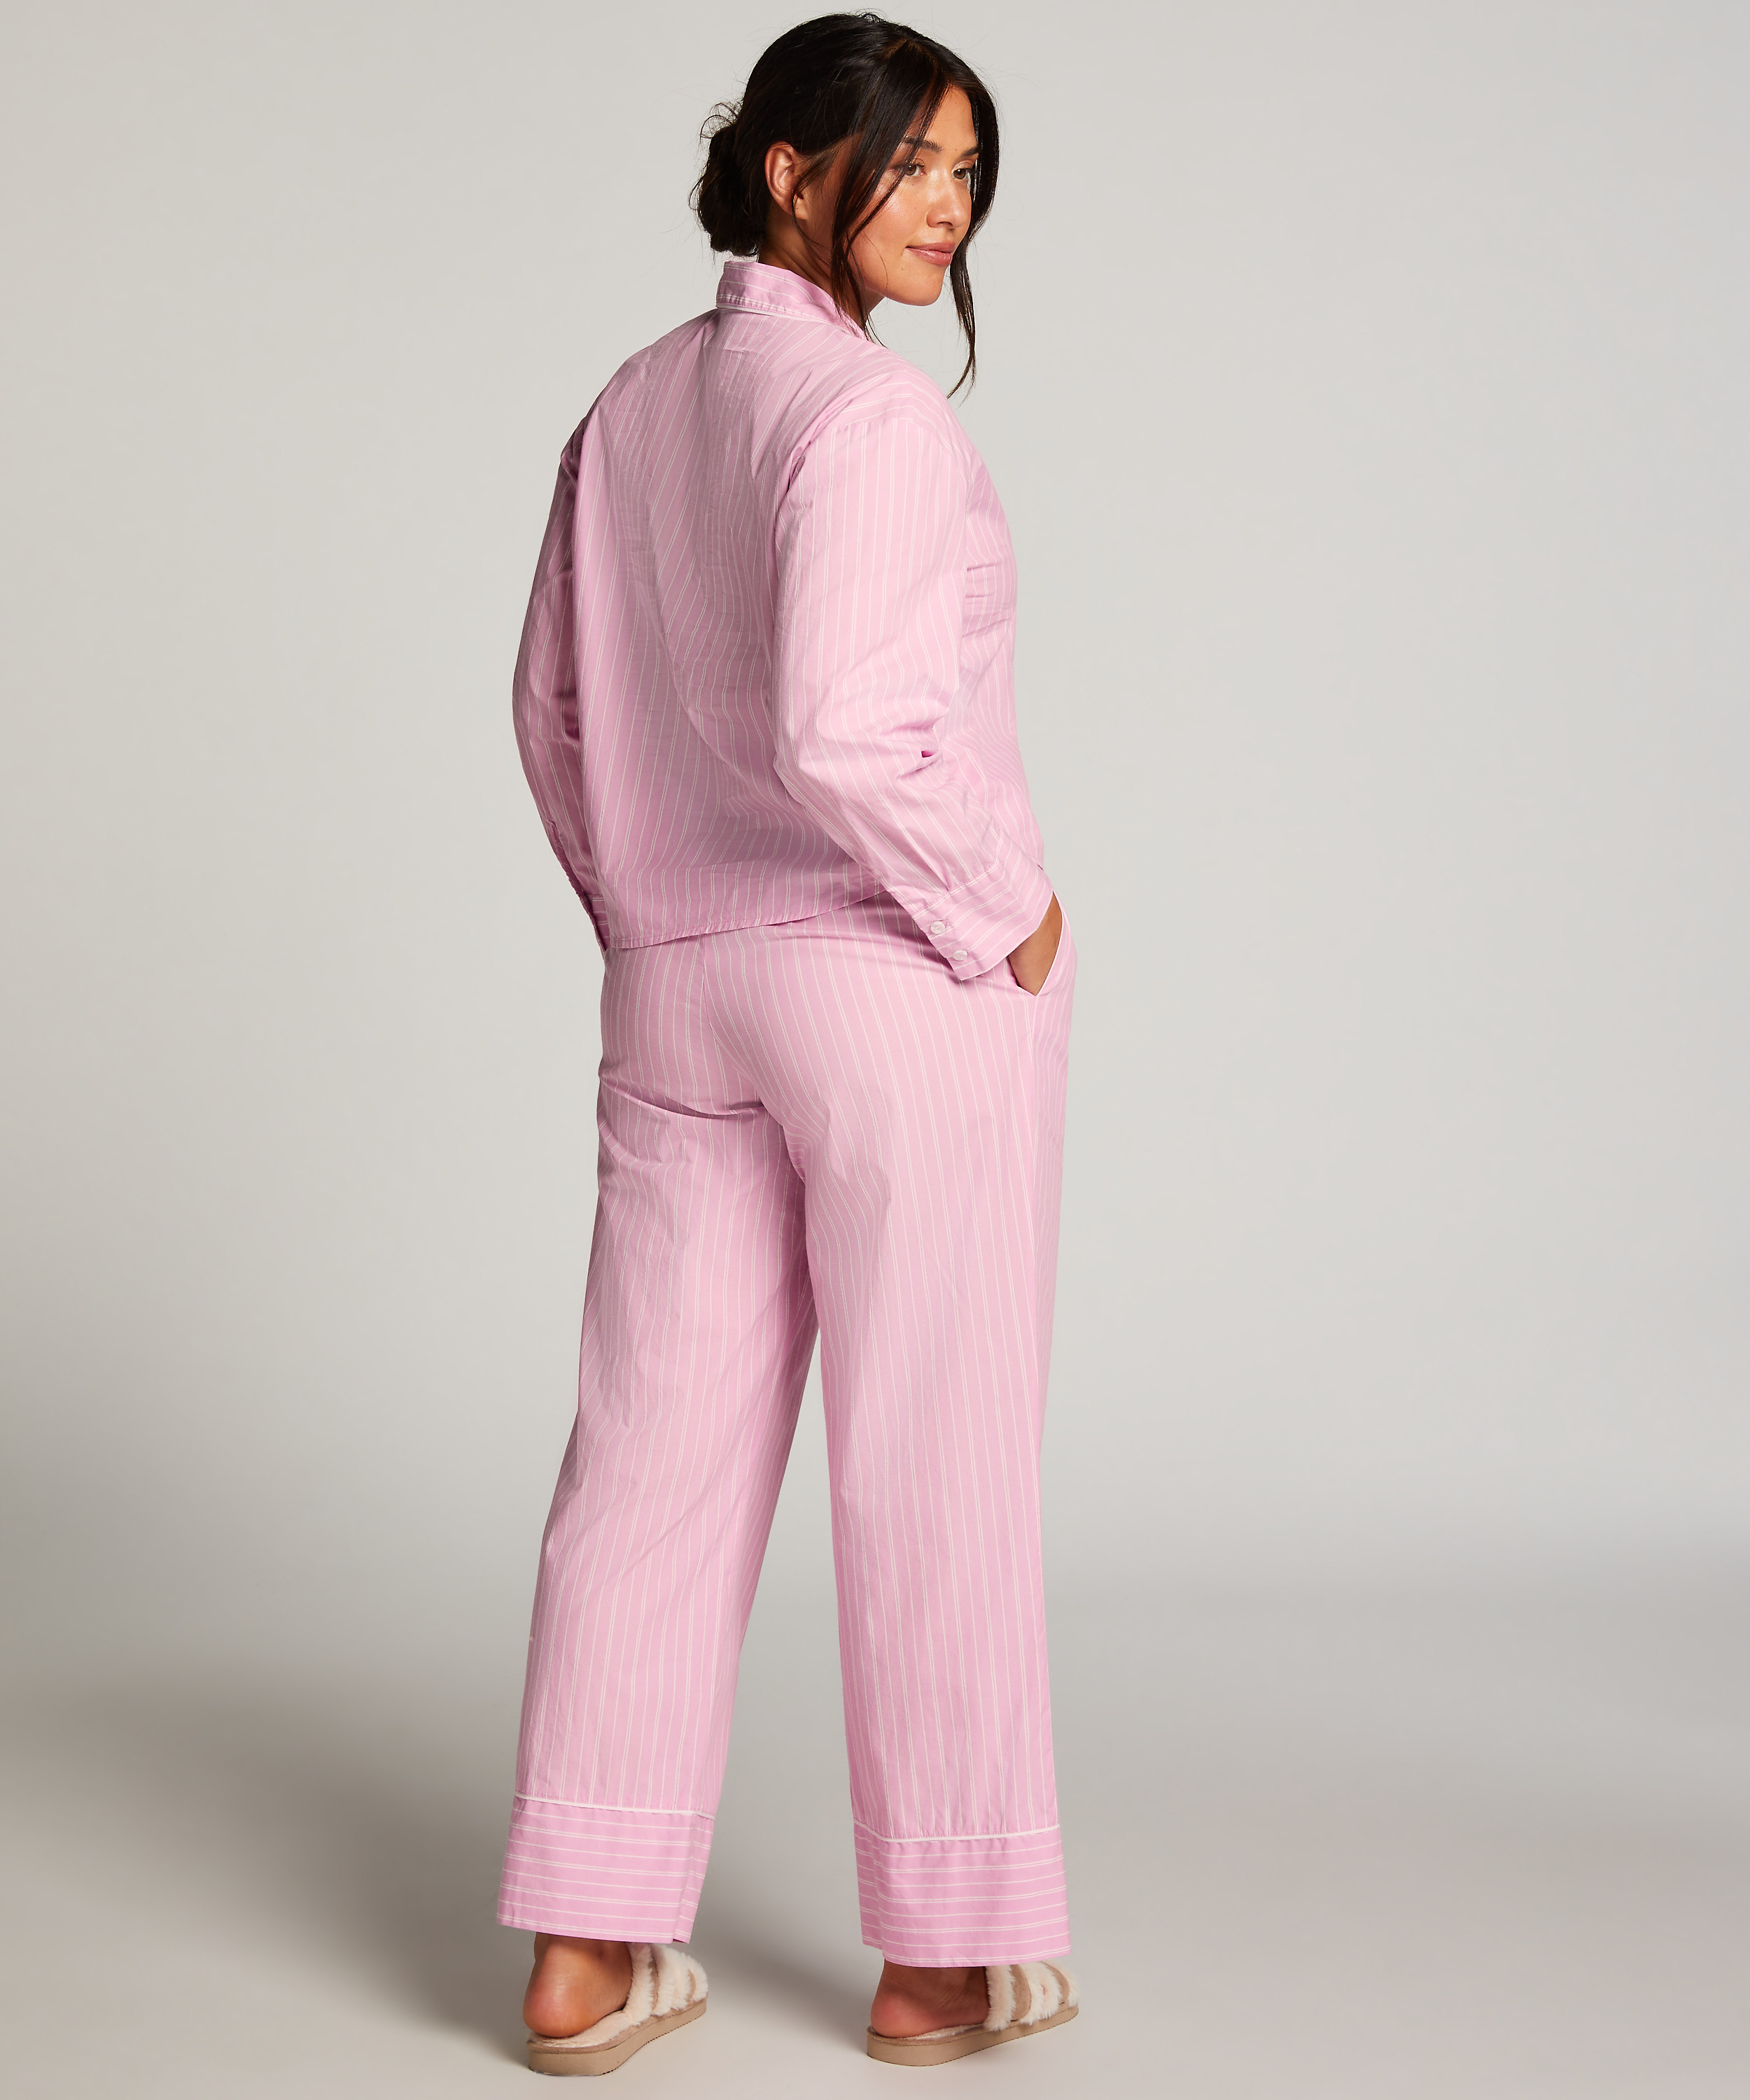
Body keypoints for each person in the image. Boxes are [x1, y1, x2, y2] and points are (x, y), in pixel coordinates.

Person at [499, 13, 1079, 2074]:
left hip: (681, 990)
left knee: (645, 1460)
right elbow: (849, 730)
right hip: (891, 984)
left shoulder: (630, 409)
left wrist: (650, 909)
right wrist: (1001, 913)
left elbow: (550, 713)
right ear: (785, 166)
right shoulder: (871, 420)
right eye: (914, 162)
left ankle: (584, 1949)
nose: (950, 208)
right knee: (933, 1455)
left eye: (968, 173)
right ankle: (942, 1959)